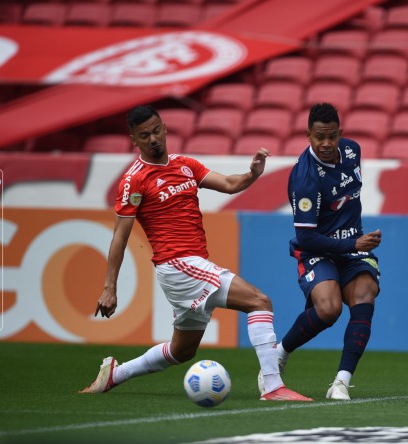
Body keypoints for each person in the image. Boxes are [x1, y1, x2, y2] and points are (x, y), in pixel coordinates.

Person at [81, 105, 311, 402]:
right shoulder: (134, 180)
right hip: (178, 264)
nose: (152, 139)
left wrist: (252, 174)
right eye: (144, 135)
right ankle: (272, 386)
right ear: (134, 140)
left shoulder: (185, 165)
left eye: (156, 131)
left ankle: (116, 373)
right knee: (259, 301)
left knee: (182, 351)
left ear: (164, 128)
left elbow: (229, 184)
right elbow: (120, 237)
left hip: (188, 266)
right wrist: (109, 287)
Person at [261, 102, 381, 400]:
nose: (326, 144)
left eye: (331, 136)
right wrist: (354, 244)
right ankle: (280, 353)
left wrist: (354, 241)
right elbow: (306, 237)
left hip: (353, 245)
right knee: (329, 309)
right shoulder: (304, 179)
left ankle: (341, 382)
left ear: (340, 133)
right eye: (319, 137)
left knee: (366, 294)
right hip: (317, 249)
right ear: (308, 136)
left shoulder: (353, 150)